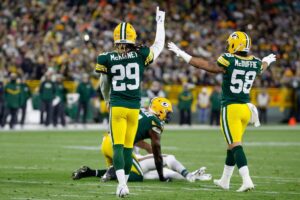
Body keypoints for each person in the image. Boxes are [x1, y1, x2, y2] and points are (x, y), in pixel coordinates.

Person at [168, 31, 276, 192]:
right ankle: (225, 180)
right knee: (231, 146)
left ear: (235, 44)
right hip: (247, 109)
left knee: (235, 145)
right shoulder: (255, 62)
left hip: (231, 108)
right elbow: (262, 67)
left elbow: (206, 66)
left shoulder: (229, 59)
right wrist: (267, 60)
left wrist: (183, 54)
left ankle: (247, 180)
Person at [95, 7, 166, 197]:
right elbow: (159, 45)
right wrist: (160, 22)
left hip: (117, 105)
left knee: (117, 145)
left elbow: (104, 84)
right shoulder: (141, 54)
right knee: (128, 147)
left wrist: (107, 99)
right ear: (133, 37)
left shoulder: (106, 57)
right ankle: (125, 184)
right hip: (134, 108)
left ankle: (121, 185)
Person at [72, 97, 211, 182]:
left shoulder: (139, 111)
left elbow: (133, 134)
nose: (167, 116)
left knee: (140, 172)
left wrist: (145, 147)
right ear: (159, 110)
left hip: (108, 141)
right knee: (138, 175)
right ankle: (187, 175)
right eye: (167, 112)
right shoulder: (155, 121)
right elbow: (157, 151)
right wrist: (161, 175)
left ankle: (91, 172)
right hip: (118, 145)